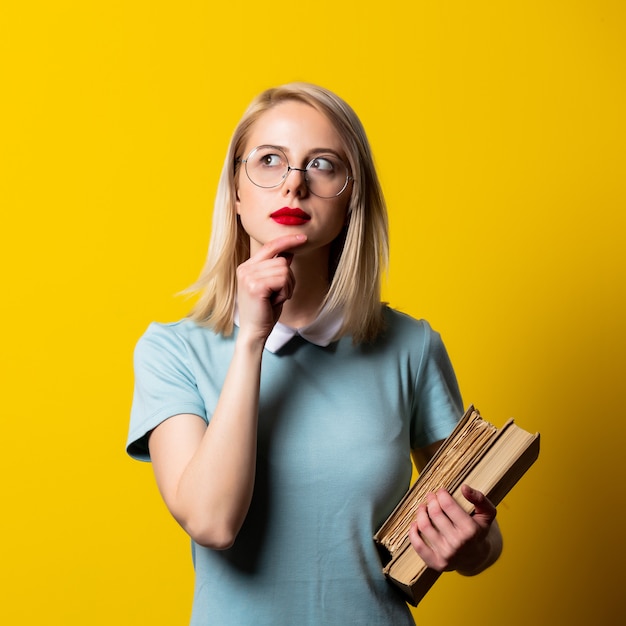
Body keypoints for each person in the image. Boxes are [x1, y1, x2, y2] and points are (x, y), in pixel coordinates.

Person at [126, 82, 502, 625]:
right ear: (235, 188)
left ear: (351, 198)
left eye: (322, 164)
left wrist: (471, 548)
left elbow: (480, 533)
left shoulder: (411, 347)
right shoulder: (172, 350)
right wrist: (252, 338)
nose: (293, 185)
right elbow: (212, 523)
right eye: (270, 160)